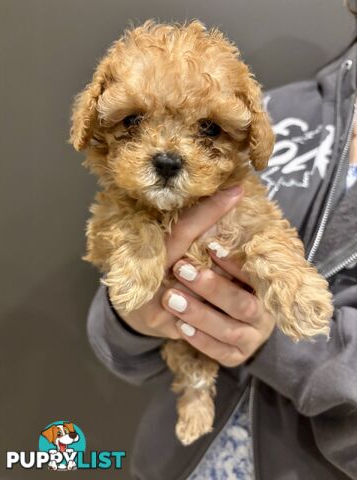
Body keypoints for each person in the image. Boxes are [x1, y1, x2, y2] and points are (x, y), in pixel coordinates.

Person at [86, 4, 357, 479]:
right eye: (132, 122)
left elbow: (264, 235)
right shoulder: (284, 108)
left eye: (208, 129)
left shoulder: (246, 119)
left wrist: (277, 341)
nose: (169, 151)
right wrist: (129, 319)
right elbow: (116, 337)